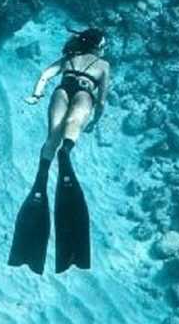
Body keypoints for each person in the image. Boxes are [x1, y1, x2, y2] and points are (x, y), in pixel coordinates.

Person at [8, 28, 111, 274]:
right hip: (85, 93)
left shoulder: (69, 58)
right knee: (72, 127)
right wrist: (96, 120)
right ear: (97, 47)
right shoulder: (103, 65)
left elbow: (45, 75)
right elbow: (103, 99)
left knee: (52, 136)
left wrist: (36, 95)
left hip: (61, 90)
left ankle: (43, 171)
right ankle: (66, 153)